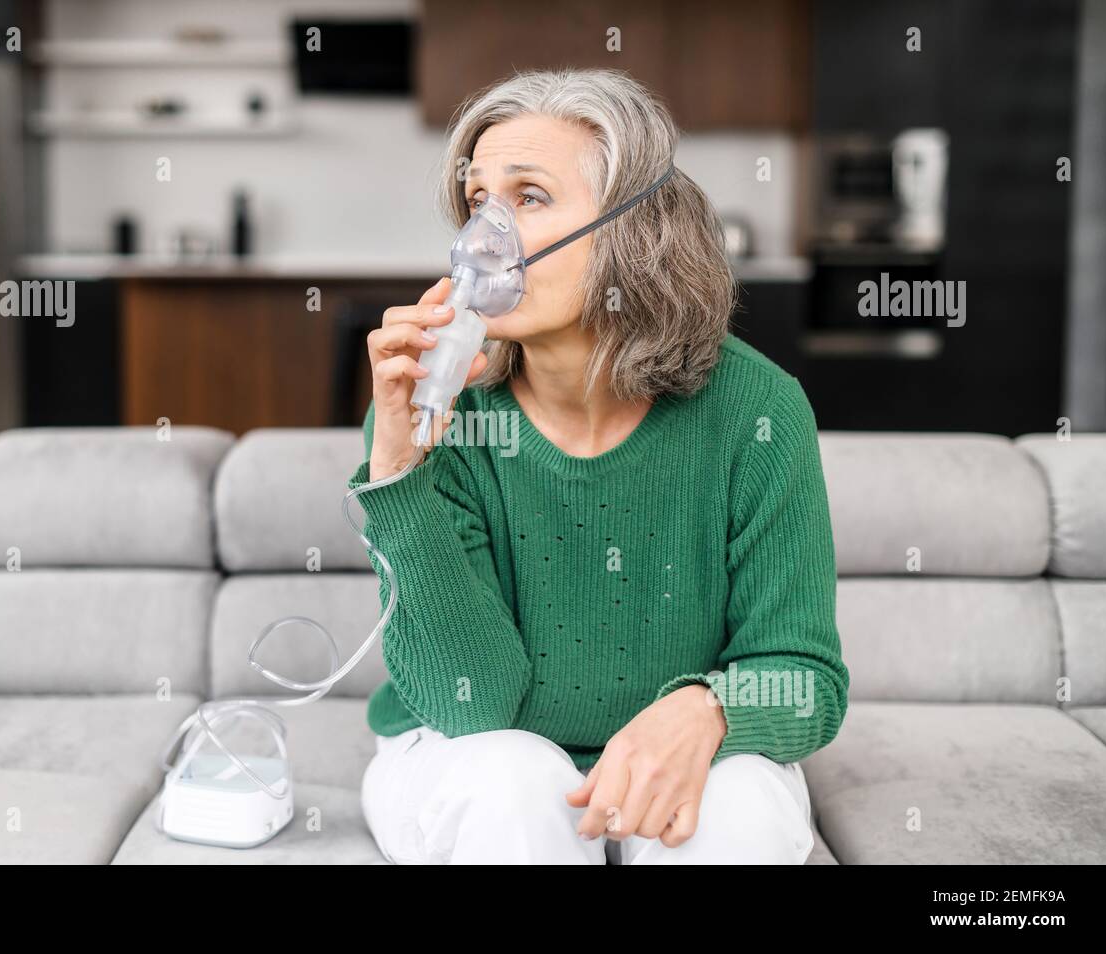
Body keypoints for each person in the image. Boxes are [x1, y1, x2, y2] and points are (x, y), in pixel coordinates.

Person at [350, 67, 849, 864]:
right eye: (479, 201)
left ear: (632, 228)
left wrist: (707, 710)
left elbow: (807, 681)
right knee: (513, 781)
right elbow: (469, 705)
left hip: (670, 763)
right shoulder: (433, 414)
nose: (487, 235)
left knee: (746, 806)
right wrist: (403, 473)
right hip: (472, 754)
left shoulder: (758, 411)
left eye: (530, 197)